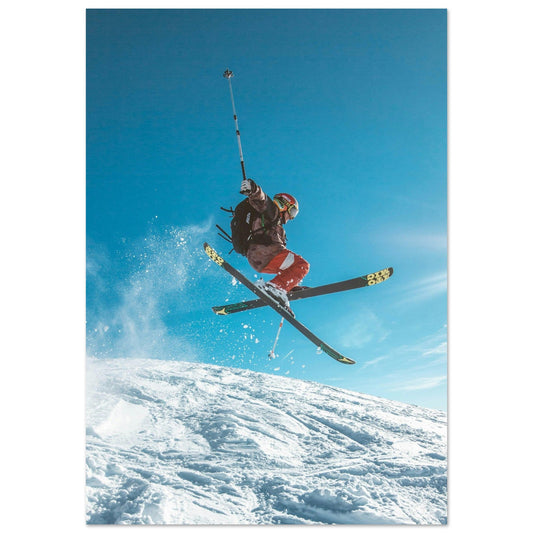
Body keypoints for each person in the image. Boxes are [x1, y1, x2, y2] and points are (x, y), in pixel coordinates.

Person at [239, 178, 309, 311]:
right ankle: (276, 287)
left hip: (258, 259)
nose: (291, 217)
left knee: (292, 267)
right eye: (292, 212)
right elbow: (262, 199)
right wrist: (253, 188)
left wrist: (292, 283)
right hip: (265, 252)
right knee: (302, 265)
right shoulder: (272, 212)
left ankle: (284, 288)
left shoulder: (278, 227)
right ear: (284, 204)